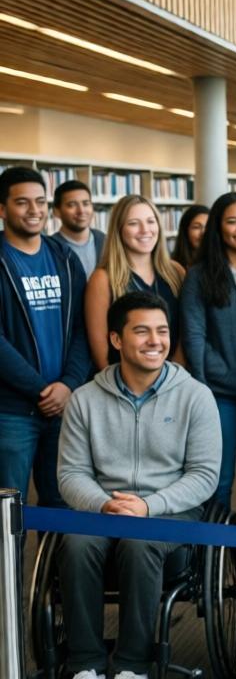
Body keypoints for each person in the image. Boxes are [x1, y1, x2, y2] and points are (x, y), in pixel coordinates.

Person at [56, 291, 220, 679]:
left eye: (162, 331)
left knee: (140, 541)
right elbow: (70, 473)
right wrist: (103, 504)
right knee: (75, 544)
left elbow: (204, 475)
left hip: (171, 515)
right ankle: (85, 663)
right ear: (116, 339)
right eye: (142, 331)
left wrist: (149, 506)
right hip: (103, 511)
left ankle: (132, 664)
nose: (155, 341)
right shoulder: (84, 400)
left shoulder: (196, 397)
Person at [180, 191, 236, 522]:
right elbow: (194, 336)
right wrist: (203, 388)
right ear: (218, 228)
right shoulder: (200, 275)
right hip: (218, 393)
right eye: (232, 221)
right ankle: (215, 562)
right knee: (218, 482)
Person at [0, 166, 89, 507]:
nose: (34, 210)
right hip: (12, 412)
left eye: (40, 201)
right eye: (22, 202)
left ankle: (53, 566)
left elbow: (83, 327)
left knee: (63, 507)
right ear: (2, 209)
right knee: (10, 514)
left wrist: (68, 383)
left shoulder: (64, 258)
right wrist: (39, 390)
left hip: (63, 407)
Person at [84, 195, 185, 371]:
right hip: (123, 384)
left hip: (173, 378)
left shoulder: (176, 272)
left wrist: (172, 379)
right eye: (133, 223)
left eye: (151, 221)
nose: (145, 230)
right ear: (119, 230)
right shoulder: (103, 279)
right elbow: (100, 352)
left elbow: (187, 333)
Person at [48, 180, 105, 275]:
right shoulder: (49, 249)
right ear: (56, 211)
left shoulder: (106, 242)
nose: (81, 211)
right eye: (72, 205)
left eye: (86, 203)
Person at [171, 204, 209, 269]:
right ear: (185, 231)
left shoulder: (222, 262)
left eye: (208, 227)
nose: (203, 232)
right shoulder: (173, 266)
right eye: (196, 227)